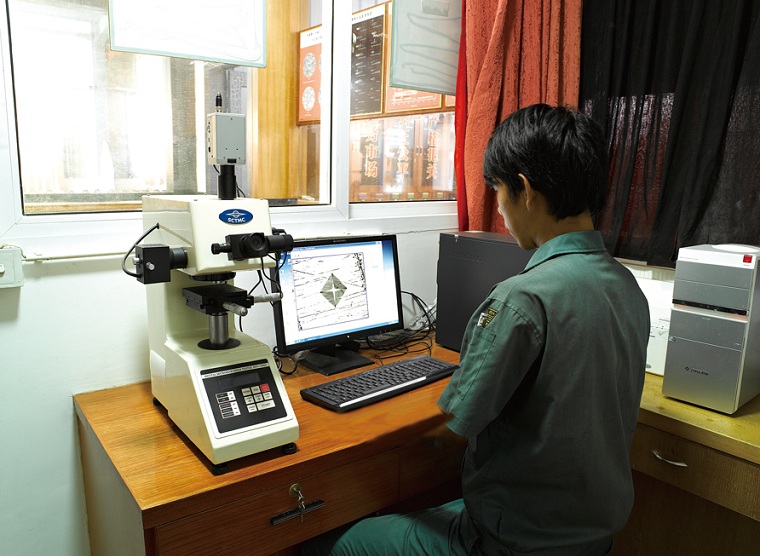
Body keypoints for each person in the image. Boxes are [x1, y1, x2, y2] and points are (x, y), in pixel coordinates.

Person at [301, 104, 650, 555]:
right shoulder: (627, 286)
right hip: (590, 538)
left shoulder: (521, 300)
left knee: (336, 543)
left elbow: (453, 427)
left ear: (525, 190)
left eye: (498, 190)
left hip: (513, 542)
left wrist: (363, 434)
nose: (499, 208)